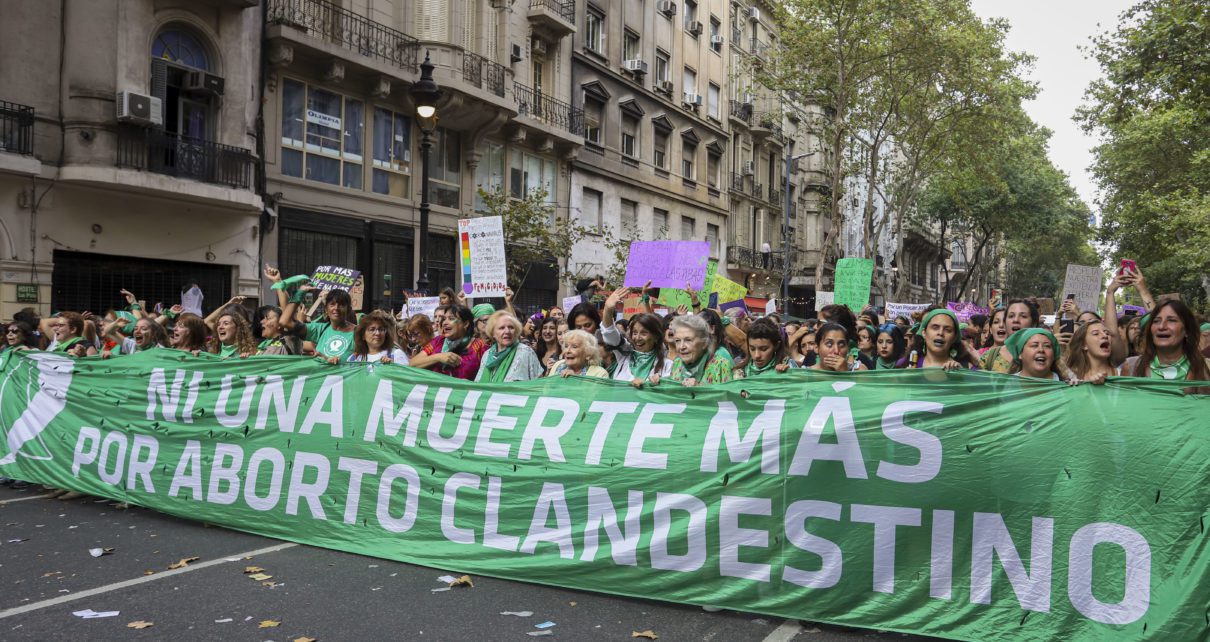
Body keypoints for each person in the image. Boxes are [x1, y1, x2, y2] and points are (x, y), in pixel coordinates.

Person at [1120, 299, 1210, 387]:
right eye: (1156, 321)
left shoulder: (1206, 367)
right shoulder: (1131, 366)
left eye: (1171, 320)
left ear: (1187, 330)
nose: (1162, 326)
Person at [410, 305, 489, 380]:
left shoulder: (480, 347)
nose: (444, 323)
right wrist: (438, 357)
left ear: (465, 324)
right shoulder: (438, 341)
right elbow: (412, 364)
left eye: (451, 319)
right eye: (444, 319)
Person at [475, 311, 544, 382]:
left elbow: (539, 384)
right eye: (501, 328)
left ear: (516, 331)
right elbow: (478, 385)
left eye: (511, 327)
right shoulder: (487, 355)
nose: (507, 331)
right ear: (493, 333)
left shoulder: (526, 352)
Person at [666, 315, 733, 385]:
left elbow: (728, 394)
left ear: (704, 343)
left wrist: (699, 389)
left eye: (688, 340)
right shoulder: (677, 363)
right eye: (677, 341)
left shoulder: (721, 365)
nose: (681, 347)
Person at [609, 312, 673, 386]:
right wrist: (608, 310)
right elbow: (609, 335)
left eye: (644, 333)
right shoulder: (624, 357)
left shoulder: (667, 365)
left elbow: (669, 394)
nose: (637, 338)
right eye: (635, 333)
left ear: (656, 337)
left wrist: (654, 385)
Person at [979, 299, 1038, 373]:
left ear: (1034, 324)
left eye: (1023, 316)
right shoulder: (989, 357)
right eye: (1011, 316)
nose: (1015, 320)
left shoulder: (1043, 354)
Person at [909, 309, 978, 370]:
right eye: (935, 327)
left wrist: (962, 377)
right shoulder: (908, 367)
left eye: (948, 330)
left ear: (954, 337)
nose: (940, 333)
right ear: (924, 333)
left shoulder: (967, 369)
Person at [1063, 320, 1116, 384]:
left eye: (1107, 333)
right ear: (1084, 345)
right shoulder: (1070, 376)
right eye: (1096, 334)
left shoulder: (1121, 371)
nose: (1105, 335)